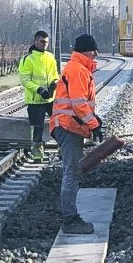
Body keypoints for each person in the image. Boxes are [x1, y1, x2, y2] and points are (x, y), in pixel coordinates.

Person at [49, 32, 102, 235]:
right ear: (88, 51)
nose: (96, 55)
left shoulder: (77, 68)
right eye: (94, 51)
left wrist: (94, 120)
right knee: (71, 172)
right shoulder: (78, 70)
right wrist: (93, 123)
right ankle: (69, 220)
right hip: (68, 126)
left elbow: (80, 105)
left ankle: (68, 211)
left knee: (72, 172)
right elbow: (78, 104)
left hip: (68, 125)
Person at [17, 29, 58, 162]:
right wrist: (39, 90)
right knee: (37, 128)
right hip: (35, 100)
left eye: (47, 42)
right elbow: (25, 80)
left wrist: (54, 84)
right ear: (36, 41)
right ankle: (37, 154)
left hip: (50, 98)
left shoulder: (50, 57)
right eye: (42, 42)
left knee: (59, 124)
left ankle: (63, 149)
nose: (44, 44)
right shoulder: (27, 59)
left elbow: (55, 75)